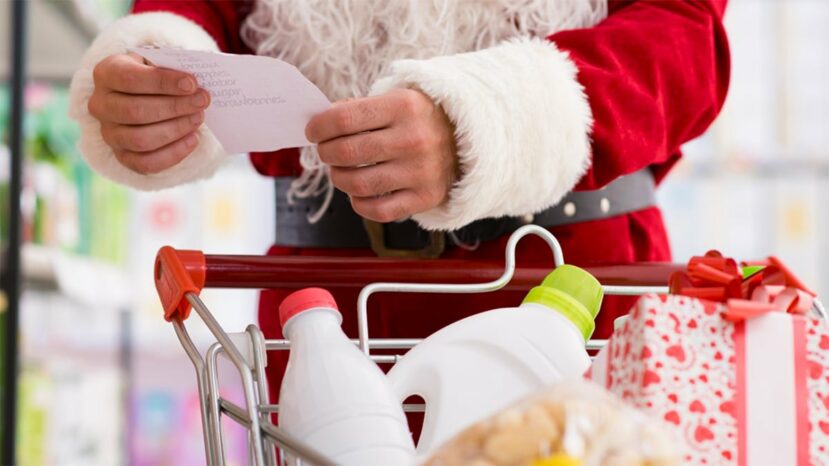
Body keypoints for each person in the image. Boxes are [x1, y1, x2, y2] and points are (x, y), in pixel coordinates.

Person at [70, 0, 729, 405]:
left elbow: (683, 34)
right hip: (321, 305)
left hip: (573, 284)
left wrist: (488, 120)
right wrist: (158, 76)